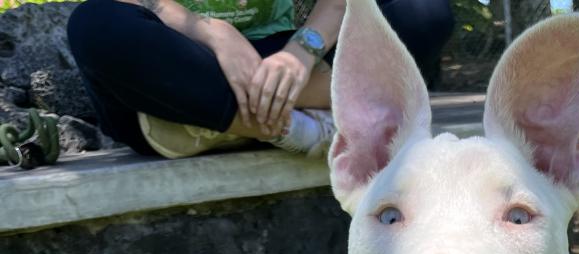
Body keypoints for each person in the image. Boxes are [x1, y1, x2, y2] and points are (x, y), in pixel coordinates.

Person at [67, 0, 453, 158]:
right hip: (181, 57)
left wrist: (300, 53)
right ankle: (315, 113)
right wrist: (213, 32)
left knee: (421, 12)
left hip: (278, 58)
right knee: (96, 25)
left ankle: (217, 125)